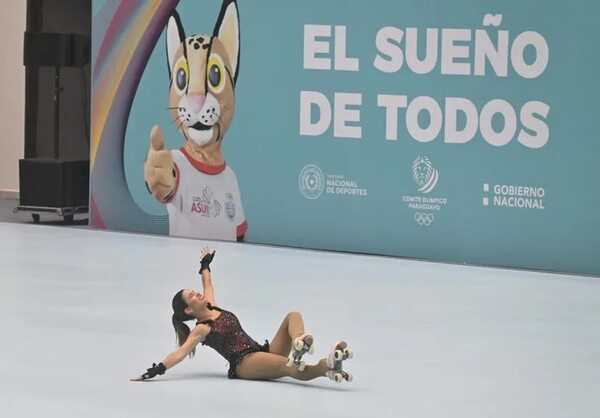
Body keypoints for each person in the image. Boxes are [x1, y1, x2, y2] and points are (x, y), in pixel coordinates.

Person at [130, 247, 353, 383]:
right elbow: (180, 353)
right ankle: (325, 367)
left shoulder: (212, 306)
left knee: (293, 316)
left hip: (258, 350)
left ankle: (299, 343)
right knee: (291, 368)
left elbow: (207, 281)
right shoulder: (202, 327)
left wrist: (205, 264)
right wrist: (157, 369)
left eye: (194, 291)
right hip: (244, 362)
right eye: (192, 296)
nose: (198, 294)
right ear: (189, 310)